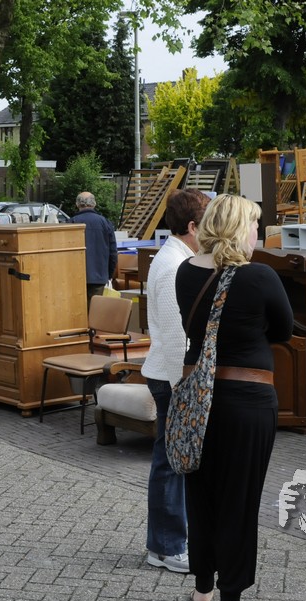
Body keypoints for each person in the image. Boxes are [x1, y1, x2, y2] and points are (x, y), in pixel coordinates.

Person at [174, 194, 293, 601]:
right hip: (246, 401)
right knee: (238, 500)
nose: (257, 233)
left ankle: (203, 588)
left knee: (202, 494)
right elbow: (284, 329)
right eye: (254, 225)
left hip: (198, 401)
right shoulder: (259, 276)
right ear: (239, 229)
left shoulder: (186, 271)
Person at [139, 188, 210, 573]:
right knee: (170, 462)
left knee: (173, 460)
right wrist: (183, 389)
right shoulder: (173, 265)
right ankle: (166, 547)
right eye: (208, 223)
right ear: (193, 226)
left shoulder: (178, 258)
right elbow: (173, 335)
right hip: (170, 378)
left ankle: (169, 542)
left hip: (170, 376)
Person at [71, 192, 117, 305]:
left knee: (77, 311)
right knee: (96, 312)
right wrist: (109, 275)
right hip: (99, 277)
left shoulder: (71, 222)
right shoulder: (105, 223)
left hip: (75, 277)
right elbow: (113, 253)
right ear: (94, 203)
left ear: (77, 204)